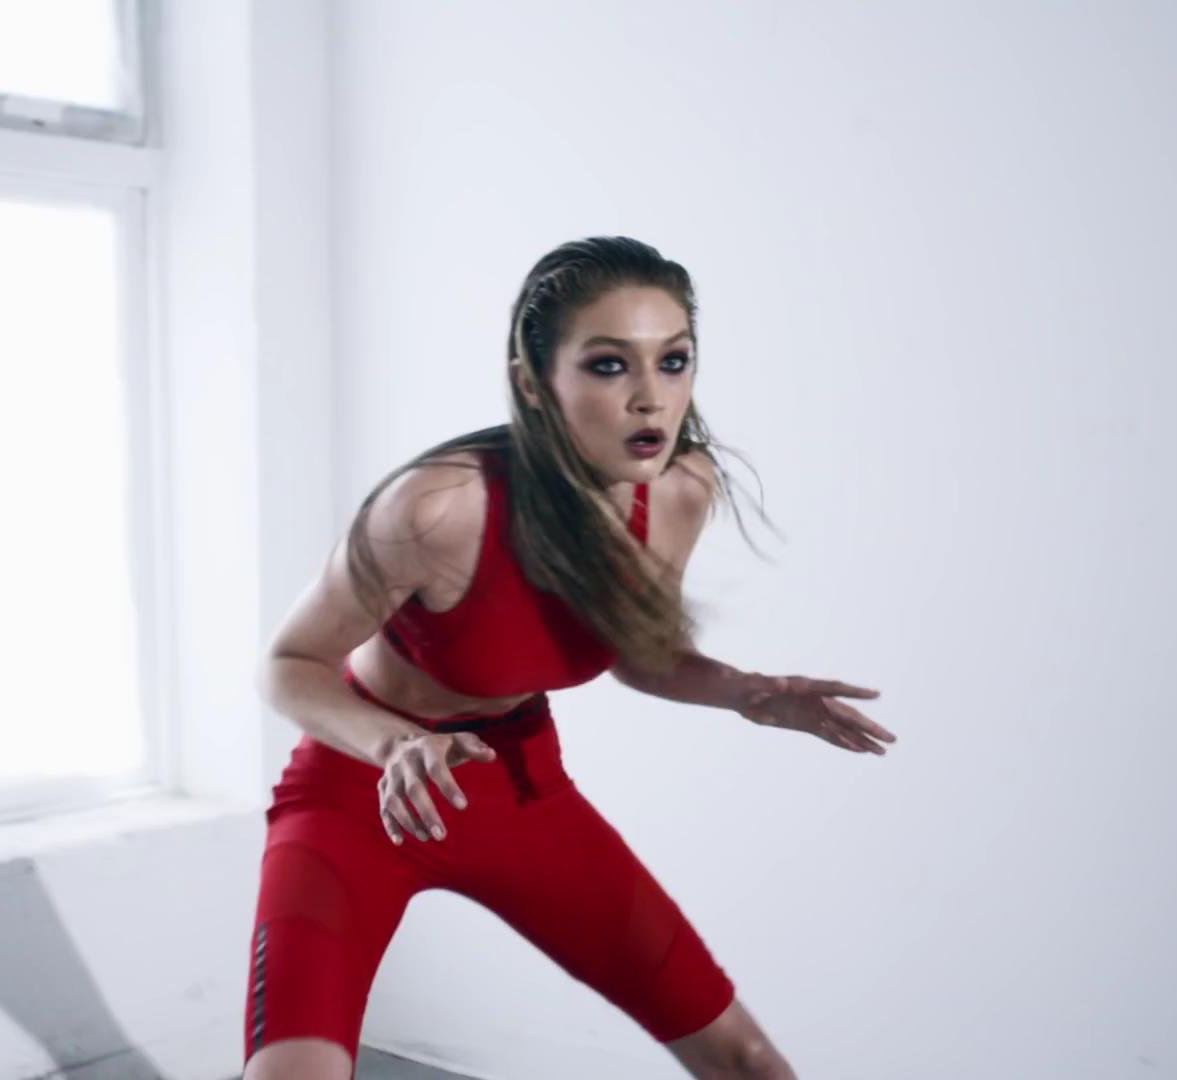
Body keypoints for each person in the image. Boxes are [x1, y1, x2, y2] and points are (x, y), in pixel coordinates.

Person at [243, 236, 894, 1080]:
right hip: (360, 795)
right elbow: (289, 662)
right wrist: (396, 745)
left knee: (749, 1064)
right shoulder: (438, 507)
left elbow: (639, 653)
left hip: (521, 789)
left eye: (673, 361)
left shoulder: (679, 490)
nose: (650, 398)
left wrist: (745, 692)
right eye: (609, 366)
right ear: (532, 383)